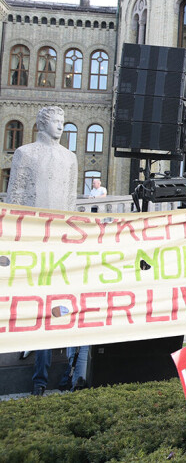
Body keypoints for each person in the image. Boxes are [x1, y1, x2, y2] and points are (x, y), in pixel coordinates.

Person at [5, 106, 80, 396]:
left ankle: (56, 371)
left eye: (63, 122)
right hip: (34, 238)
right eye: (55, 122)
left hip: (59, 240)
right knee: (33, 300)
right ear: (43, 124)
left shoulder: (69, 158)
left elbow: (71, 200)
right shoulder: (26, 153)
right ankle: (33, 359)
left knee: (56, 300)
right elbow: (16, 195)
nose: (60, 127)